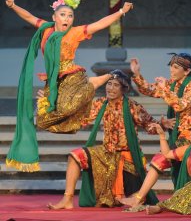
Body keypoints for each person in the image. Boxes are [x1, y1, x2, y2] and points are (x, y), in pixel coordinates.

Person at [5, 0, 133, 171]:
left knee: (66, 109)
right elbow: (28, 17)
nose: (67, 18)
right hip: (53, 80)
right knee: (43, 121)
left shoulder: (75, 32)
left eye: (70, 15)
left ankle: (94, 83)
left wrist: (120, 11)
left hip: (72, 76)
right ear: (54, 17)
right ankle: (74, 99)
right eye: (63, 14)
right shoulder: (45, 29)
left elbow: (100, 23)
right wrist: (13, 5)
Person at [47, 70, 173, 209]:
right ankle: (67, 199)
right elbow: (81, 119)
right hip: (105, 153)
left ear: (123, 89)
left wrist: (162, 125)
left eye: (115, 85)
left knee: (131, 198)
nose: (110, 88)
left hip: (127, 159)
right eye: (109, 84)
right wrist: (53, 113)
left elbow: (149, 126)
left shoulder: (132, 106)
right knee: (74, 156)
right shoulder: (100, 103)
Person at [118, 53, 191, 207]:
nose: (171, 70)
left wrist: (165, 89)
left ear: (187, 71)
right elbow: (149, 89)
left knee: (159, 160)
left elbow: (181, 105)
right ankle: (140, 198)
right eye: (171, 66)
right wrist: (137, 74)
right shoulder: (172, 84)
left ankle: (138, 198)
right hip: (178, 135)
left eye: (176, 67)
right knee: (159, 162)